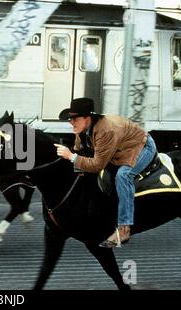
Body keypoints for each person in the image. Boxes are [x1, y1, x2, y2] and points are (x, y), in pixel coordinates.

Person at [54, 97, 157, 248]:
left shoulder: (105, 130)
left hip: (142, 147)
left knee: (123, 176)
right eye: (70, 119)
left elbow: (96, 165)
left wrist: (71, 157)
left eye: (74, 119)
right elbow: (78, 151)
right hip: (120, 149)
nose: (71, 122)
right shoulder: (81, 129)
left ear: (86, 118)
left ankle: (124, 229)